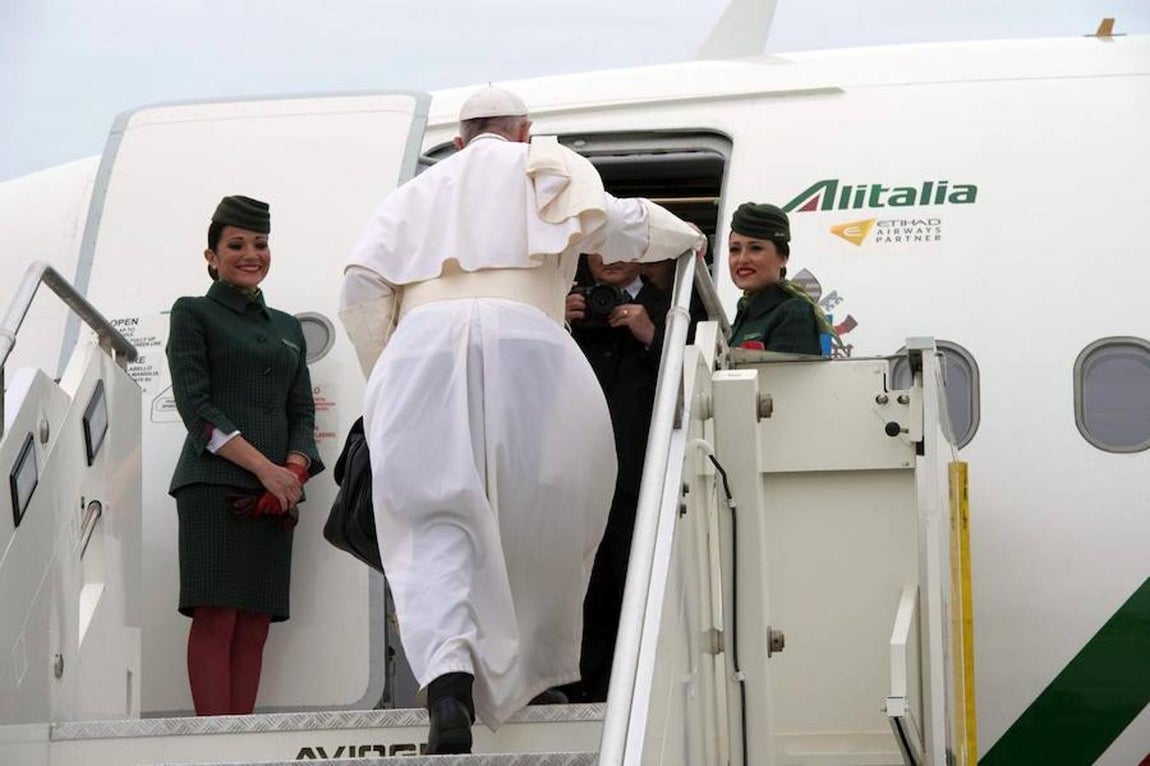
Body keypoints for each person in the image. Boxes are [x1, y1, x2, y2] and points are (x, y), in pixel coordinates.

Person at [339, 85, 704, 754]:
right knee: (546, 508)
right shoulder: (547, 165)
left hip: (420, 353)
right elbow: (622, 225)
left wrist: (387, 375)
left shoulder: (412, 194)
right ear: (522, 130)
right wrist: (690, 235)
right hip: (530, 347)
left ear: (458, 138)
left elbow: (359, 286)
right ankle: (531, 678)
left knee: (431, 522)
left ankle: (449, 682)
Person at [167, 195, 324, 716]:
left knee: (255, 621)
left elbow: (302, 412)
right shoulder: (194, 313)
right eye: (236, 244)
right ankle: (215, 746)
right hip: (214, 483)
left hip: (278, 490)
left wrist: (294, 473)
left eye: (260, 243)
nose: (250, 253)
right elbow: (198, 408)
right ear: (211, 256)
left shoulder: (286, 327)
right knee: (218, 616)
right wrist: (268, 472)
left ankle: (246, 740)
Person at [563, 253, 669, 703]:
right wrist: (553, 324)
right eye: (599, 246)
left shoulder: (674, 306)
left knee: (636, 579)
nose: (610, 259)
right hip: (574, 472)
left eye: (622, 246)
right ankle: (579, 685)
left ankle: (635, 689)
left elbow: (697, 372)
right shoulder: (561, 305)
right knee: (578, 582)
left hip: (641, 473)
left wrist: (652, 334)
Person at [726, 202, 822, 354]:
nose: (742, 259)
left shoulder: (793, 313)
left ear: (783, 257)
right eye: (735, 249)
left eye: (755, 248)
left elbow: (782, 377)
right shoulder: (745, 312)